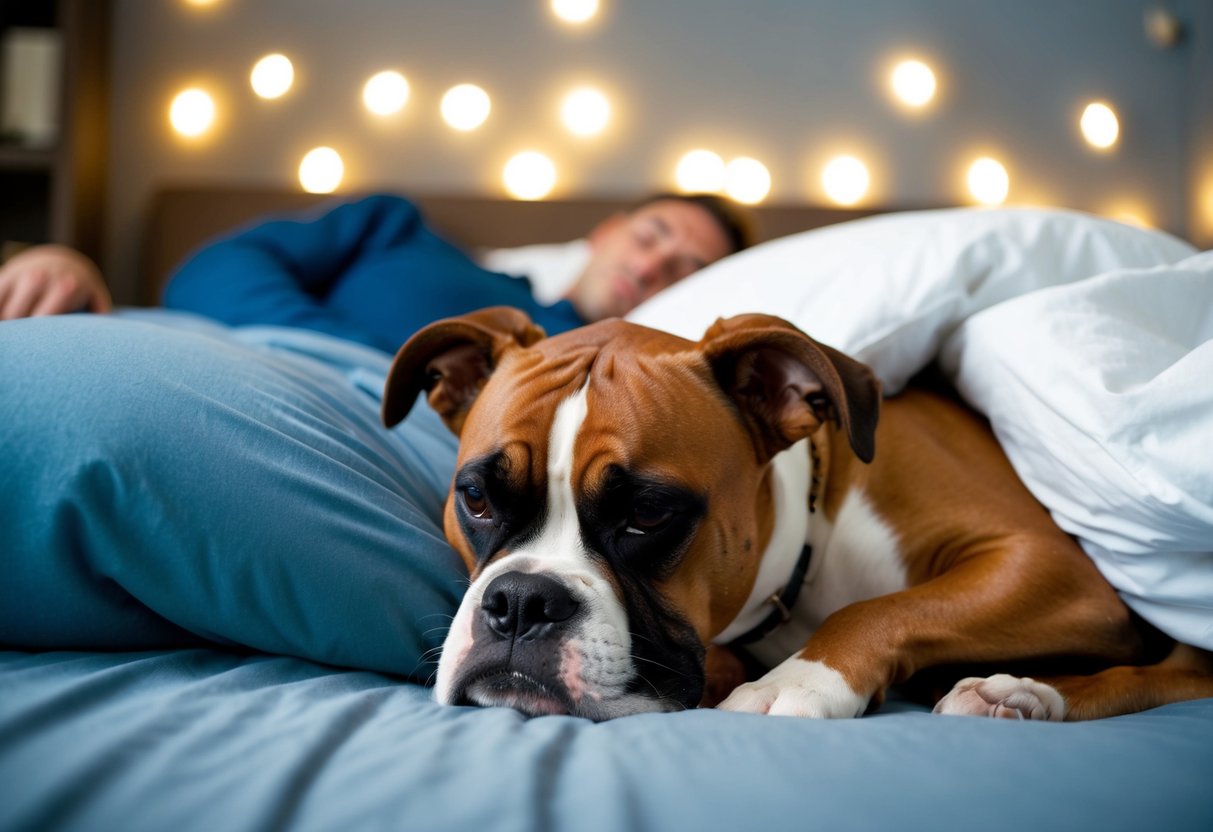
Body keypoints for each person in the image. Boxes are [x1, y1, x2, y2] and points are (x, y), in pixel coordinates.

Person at [0, 193, 752, 350]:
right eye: (651, 234)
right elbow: (212, 270)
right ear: (608, 230)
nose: (654, 264)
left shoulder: (579, 362)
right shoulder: (398, 227)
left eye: (685, 267)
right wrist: (341, 359)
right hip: (157, 337)